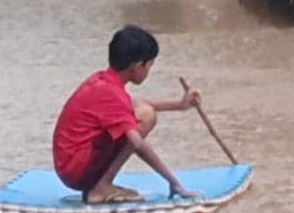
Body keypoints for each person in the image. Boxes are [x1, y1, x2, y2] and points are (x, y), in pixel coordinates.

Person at [52, 26, 201, 203]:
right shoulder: (110, 92)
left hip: (70, 165)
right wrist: (174, 183)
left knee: (143, 113)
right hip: (75, 169)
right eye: (150, 65)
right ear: (138, 66)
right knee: (146, 117)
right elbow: (137, 144)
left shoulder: (104, 81)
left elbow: (130, 105)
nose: (149, 71)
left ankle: (100, 185)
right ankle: (101, 188)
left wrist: (180, 105)